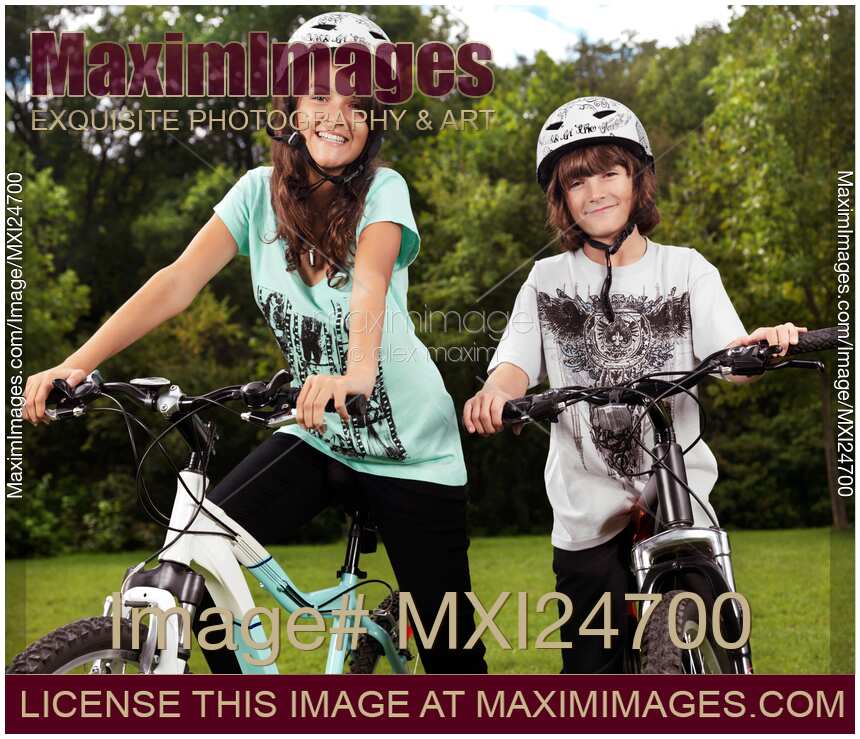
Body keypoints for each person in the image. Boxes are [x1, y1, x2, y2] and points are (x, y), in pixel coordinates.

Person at [24, 12, 487, 675]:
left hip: (412, 449)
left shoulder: (385, 192)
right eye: (321, 94)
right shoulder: (253, 197)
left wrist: (357, 375)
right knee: (199, 555)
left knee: (454, 665)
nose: (337, 113)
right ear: (291, 107)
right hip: (315, 430)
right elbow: (177, 281)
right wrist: (77, 362)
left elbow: (371, 289)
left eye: (357, 102)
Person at [462, 96, 804, 674]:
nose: (595, 191)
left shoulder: (687, 268)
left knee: (720, 623)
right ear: (561, 198)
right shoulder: (547, 279)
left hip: (678, 496)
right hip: (585, 507)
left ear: (637, 181)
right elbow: (515, 362)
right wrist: (498, 391)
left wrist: (757, 348)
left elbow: (728, 352)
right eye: (577, 182)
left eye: (608, 173)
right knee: (591, 673)